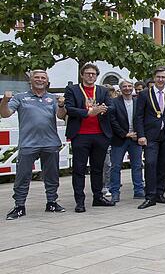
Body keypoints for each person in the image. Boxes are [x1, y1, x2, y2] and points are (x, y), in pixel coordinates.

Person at [2, 70, 67, 220]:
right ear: (30, 81)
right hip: (28, 144)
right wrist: (5, 100)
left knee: (51, 176)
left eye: (43, 78)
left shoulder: (53, 98)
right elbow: (5, 114)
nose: (40, 80)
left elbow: (61, 116)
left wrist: (62, 105)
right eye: (36, 77)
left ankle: (52, 202)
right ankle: (19, 206)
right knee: (22, 176)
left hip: (50, 143)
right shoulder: (20, 98)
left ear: (47, 81)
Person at [64, 63, 115, 213]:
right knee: (79, 169)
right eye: (88, 73)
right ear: (82, 75)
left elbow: (112, 107)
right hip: (80, 135)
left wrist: (102, 110)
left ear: (97, 76)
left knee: (98, 169)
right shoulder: (72, 90)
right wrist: (88, 113)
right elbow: (69, 109)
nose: (90, 76)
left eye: (93, 74)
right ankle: (79, 201)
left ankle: (98, 197)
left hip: (100, 135)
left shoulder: (102, 90)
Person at [135, 66, 165, 210]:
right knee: (150, 163)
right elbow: (139, 116)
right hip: (150, 136)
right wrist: (141, 135)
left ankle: (160, 193)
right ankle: (150, 196)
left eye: (163, 77)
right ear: (154, 78)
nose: (161, 79)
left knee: (164, 165)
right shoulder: (144, 94)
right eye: (158, 77)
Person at [108, 80, 144, 203]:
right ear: (120, 88)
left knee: (137, 166)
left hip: (135, 139)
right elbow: (112, 120)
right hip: (119, 139)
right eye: (124, 86)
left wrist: (138, 134)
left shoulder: (138, 102)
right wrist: (124, 134)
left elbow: (142, 119)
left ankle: (139, 190)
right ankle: (115, 192)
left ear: (133, 88)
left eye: (129, 86)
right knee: (116, 166)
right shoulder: (114, 102)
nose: (127, 88)